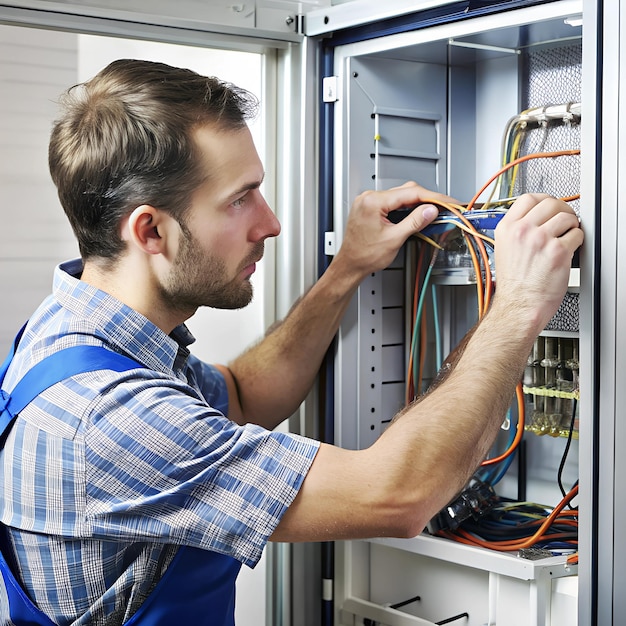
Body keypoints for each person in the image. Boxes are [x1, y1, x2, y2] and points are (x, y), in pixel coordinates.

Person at [0, 59, 583, 626]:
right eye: (239, 199)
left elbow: (243, 396)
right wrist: (519, 304)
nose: (271, 222)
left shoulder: (76, 335)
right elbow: (399, 494)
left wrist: (346, 271)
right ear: (150, 229)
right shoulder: (108, 416)